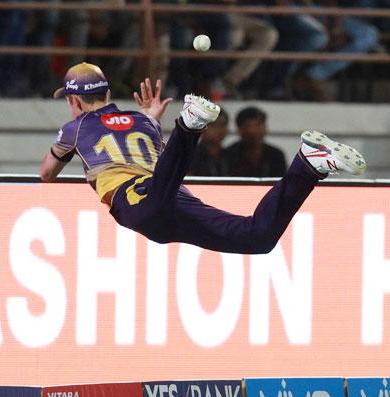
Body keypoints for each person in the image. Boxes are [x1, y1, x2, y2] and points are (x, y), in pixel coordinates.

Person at [39, 62, 366, 254]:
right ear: (108, 94)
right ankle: (308, 165)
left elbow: (47, 174)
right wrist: (153, 118)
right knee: (257, 238)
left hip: (141, 201)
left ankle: (190, 125)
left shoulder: (74, 127)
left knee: (154, 204)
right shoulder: (143, 121)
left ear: (73, 99)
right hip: (171, 196)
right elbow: (156, 154)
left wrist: (70, 141)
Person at [225, 106, 287, 177]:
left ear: (265, 127)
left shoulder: (276, 155)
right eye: (248, 126)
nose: (253, 131)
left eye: (258, 125)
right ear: (239, 129)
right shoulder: (229, 155)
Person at [188, 108, 230, 176]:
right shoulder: (191, 155)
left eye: (222, 125)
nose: (219, 130)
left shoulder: (229, 155)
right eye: (213, 125)